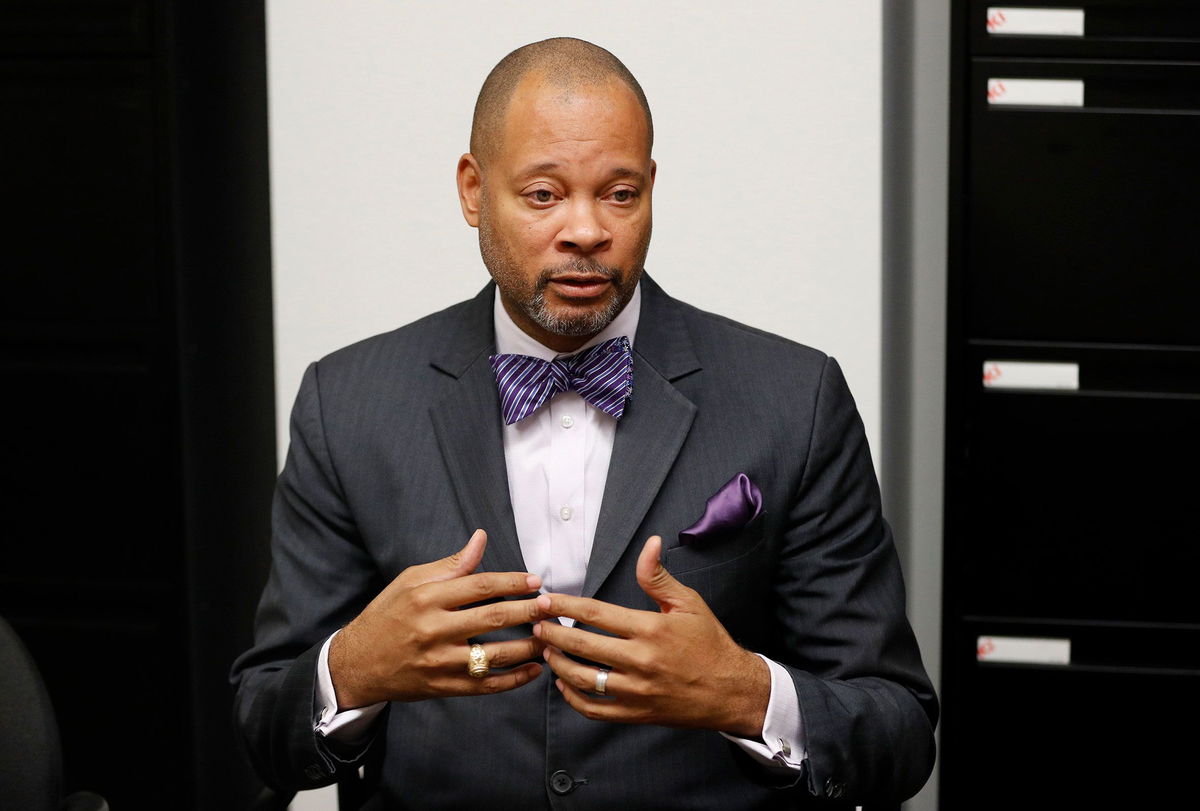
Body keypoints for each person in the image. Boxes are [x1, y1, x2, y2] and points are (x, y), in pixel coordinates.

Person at [231, 37, 937, 809]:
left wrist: (745, 691)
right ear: (473, 190)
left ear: (652, 189)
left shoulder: (793, 398)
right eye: (543, 195)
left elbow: (899, 732)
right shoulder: (350, 403)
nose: (586, 230)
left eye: (620, 193)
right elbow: (264, 727)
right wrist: (354, 669)